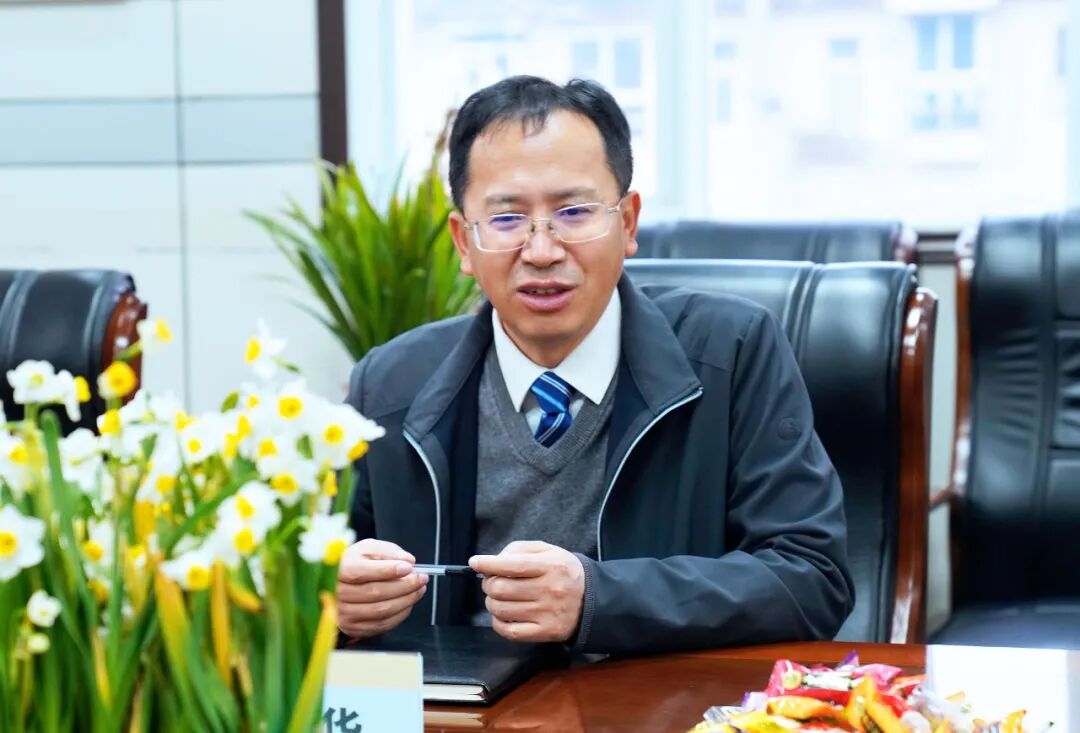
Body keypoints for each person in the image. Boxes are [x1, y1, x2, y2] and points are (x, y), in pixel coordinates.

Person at [337, 75, 853, 655]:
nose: (541, 251)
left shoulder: (730, 353)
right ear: (463, 242)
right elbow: (310, 578)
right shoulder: (391, 385)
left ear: (627, 223)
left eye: (575, 212)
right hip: (459, 701)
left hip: (657, 698)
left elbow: (812, 579)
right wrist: (331, 603)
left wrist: (600, 598)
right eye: (507, 219)